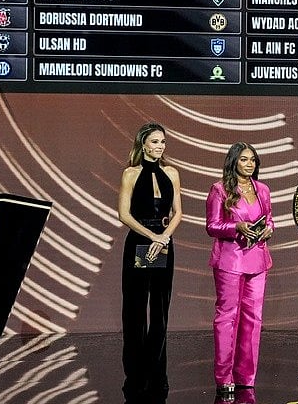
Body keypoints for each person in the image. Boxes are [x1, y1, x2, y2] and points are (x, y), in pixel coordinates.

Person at [118, 122, 183, 401]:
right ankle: (136, 375)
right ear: (143, 144)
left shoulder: (172, 173)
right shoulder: (130, 174)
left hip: (164, 244)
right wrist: (152, 237)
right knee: (134, 309)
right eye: (155, 142)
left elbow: (178, 212)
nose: (160, 147)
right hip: (140, 241)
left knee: (159, 309)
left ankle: (158, 374)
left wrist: (164, 237)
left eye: (163, 142)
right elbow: (124, 214)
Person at [206, 142, 274, 397]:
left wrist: (269, 228)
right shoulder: (219, 190)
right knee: (227, 317)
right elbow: (212, 225)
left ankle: (246, 375)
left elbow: (269, 218)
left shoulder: (263, 190)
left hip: (258, 259)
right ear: (233, 161)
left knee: (253, 318)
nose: (249, 164)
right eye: (244, 159)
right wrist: (236, 227)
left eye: (253, 160)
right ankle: (224, 376)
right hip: (230, 260)